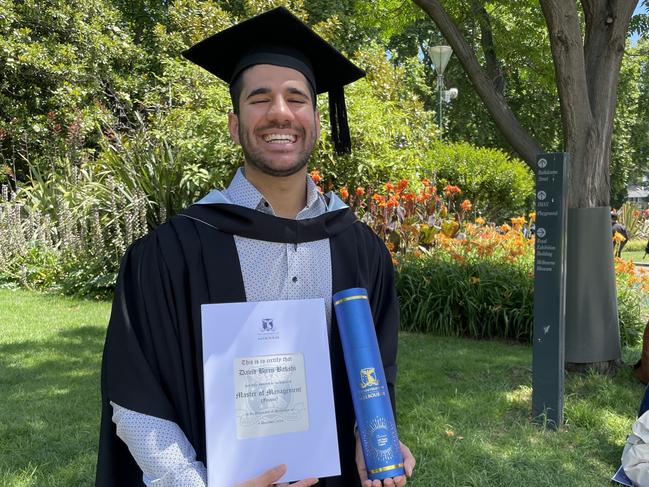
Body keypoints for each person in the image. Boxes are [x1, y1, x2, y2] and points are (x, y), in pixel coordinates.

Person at [95, 7, 415, 487]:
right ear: (234, 123)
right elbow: (136, 397)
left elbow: (375, 372)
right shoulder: (170, 253)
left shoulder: (359, 247)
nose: (280, 113)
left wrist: (372, 437)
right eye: (260, 98)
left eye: (296, 98)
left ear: (316, 120)